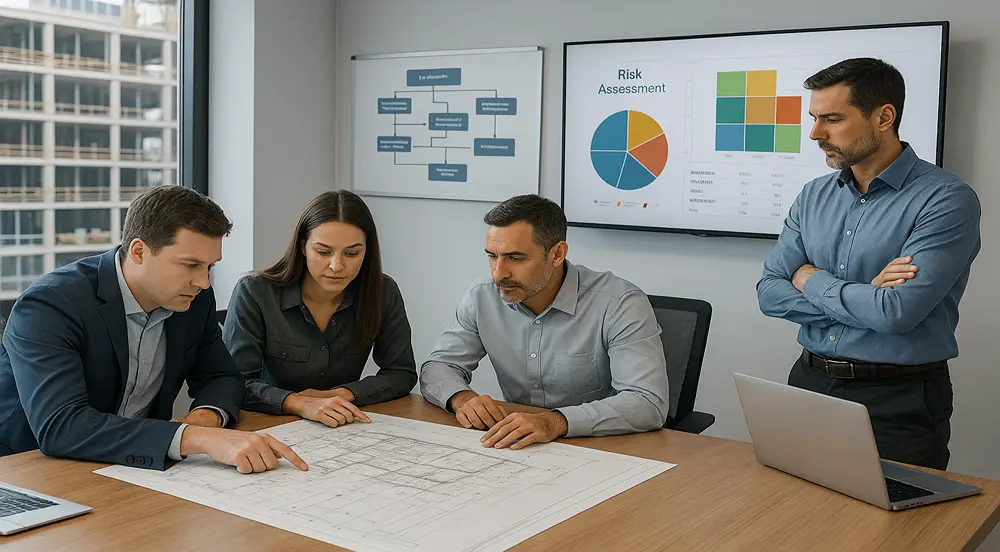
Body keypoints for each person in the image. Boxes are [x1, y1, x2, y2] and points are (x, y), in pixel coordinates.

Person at [756, 58, 981, 470]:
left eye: (832, 119)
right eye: (814, 118)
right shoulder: (813, 196)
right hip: (808, 383)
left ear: (883, 116)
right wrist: (866, 295)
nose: (815, 133)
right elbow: (770, 293)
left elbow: (896, 312)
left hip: (897, 400)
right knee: (793, 519)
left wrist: (809, 279)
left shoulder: (946, 200)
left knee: (896, 531)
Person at [0, 185, 307, 474]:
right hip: (29, 468)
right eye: (190, 265)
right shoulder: (51, 304)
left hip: (134, 465)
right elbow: (62, 427)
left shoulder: (193, 299)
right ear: (138, 251)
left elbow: (221, 376)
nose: (203, 282)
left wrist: (206, 417)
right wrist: (195, 438)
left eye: (209, 267)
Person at [420, 194, 669, 450]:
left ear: (557, 254)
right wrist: (461, 398)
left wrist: (555, 422)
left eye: (516, 258)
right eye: (492, 256)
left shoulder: (619, 303)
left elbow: (647, 402)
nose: (499, 274)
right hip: (518, 447)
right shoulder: (482, 296)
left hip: (603, 448)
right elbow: (438, 367)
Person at [223, 191, 416, 427]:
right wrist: (301, 403)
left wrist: (340, 395)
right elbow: (234, 383)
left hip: (343, 425)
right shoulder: (254, 292)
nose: (337, 266)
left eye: (352, 253)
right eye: (323, 252)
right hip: (266, 425)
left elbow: (401, 373)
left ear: (367, 251)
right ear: (303, 246)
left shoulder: (383, 291)